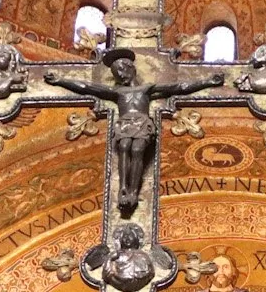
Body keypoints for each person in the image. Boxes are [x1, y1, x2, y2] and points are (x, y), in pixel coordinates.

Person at [43, 51, 226, 218]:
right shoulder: (117, 92)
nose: (120, 75)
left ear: (132, 69)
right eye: (116, 73)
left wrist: (207, 82)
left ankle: (133, 191)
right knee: (123, 146)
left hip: (142, 122)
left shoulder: (146, 89)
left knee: (137, 149)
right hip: (124, 123)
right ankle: (123, 188)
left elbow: (180, 87)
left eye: (122, 70)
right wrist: (59, 81)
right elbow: (86, 87)